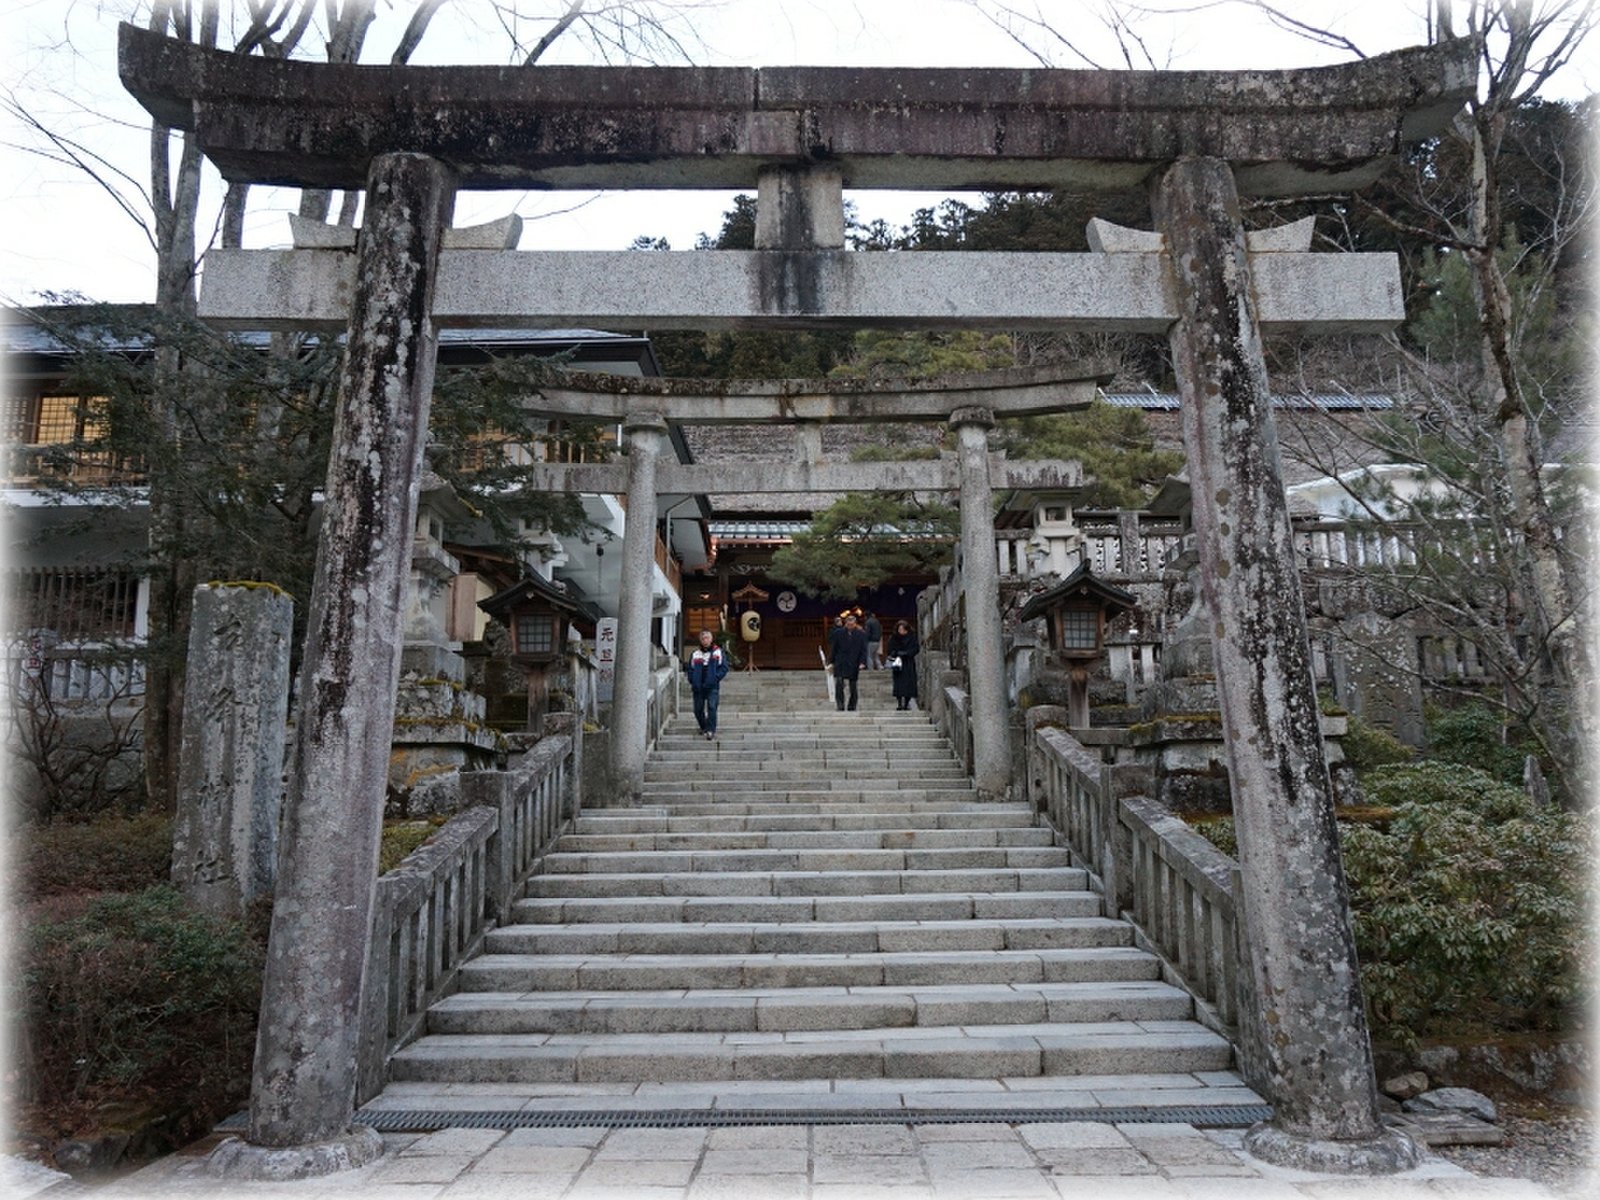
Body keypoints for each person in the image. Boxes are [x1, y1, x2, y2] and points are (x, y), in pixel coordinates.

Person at [686, 628, 729, 740]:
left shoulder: (718, 652)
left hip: (712, 685)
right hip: (698, 686)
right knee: (698, 710)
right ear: (700, 640)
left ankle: (711, 730)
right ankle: (704, 727)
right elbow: (690, 669)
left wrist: (715, 678)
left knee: (712, 707)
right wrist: (692, 680)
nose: (705, 640)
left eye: (707, 638)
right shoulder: (695, 654)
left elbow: (724, 668)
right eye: (703, 638)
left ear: (711, 639)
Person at [828, 612, 869, 711]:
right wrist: (831, 661)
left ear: (855, 624)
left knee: (853, 685)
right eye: (848, 624)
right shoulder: (838, 633)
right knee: (839, 683)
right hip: (841, 661)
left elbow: (864, 650)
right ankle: (840, 704)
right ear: (845, 623)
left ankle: (852, 705)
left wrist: (862, 662)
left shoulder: (861, 634)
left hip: (853, 661)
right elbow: (834, 648)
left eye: (852, 624)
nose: (850, 626)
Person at [886, 619, 920, 711]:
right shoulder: (894, 638)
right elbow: (890, 649)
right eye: (899, 629)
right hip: (898, 663)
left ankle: (907, 703)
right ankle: (900, 703)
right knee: (899, 684)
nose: (901, 631)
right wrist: (896, 653)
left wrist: (907, 653)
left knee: (909, 683)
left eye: (903, 629)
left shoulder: (912, 637)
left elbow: (916, 648)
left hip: (908, 663)